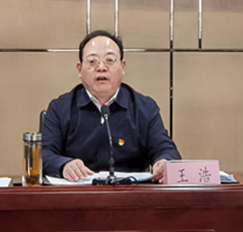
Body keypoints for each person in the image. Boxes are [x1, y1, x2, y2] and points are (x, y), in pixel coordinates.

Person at [41, 30, 181, 182]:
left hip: (131, 194)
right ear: (79, 69)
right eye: (92, 61)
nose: (101, 67)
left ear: (123, 66)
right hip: (78, 193)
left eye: (110, 60)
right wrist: (63, 165)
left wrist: (164, 162)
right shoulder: (60, 108)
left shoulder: (145, 108)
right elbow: (43, 153)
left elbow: (166, 150)